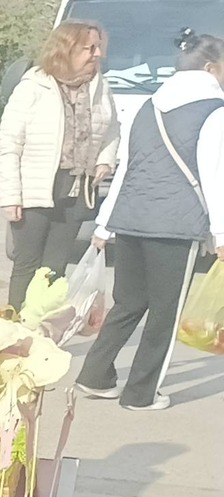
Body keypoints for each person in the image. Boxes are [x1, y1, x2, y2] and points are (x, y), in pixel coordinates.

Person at [74, 34, 224, 411]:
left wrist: (104, 224)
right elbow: (215, 175)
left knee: (128, 303)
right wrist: (221, 233)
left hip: (130, 219)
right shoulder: (215, 111)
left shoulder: (148, 105)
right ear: (211, 68)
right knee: (165, 313)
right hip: (175, 225)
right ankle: (142, 393)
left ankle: (94, 375)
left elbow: (127, 168)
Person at [0, 21, 119, 313]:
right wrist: (10, 196)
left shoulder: (99, 86)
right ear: (67, 50)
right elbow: (9, 144)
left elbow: (112, 128)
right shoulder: (33, 87)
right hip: (35, 188)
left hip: (77, 187)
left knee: (55, 267)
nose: (97, 54)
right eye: (89, 48)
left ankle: (41, 325)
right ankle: (15, 324)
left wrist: (105, 158)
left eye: (98, 47)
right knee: (27, 263)